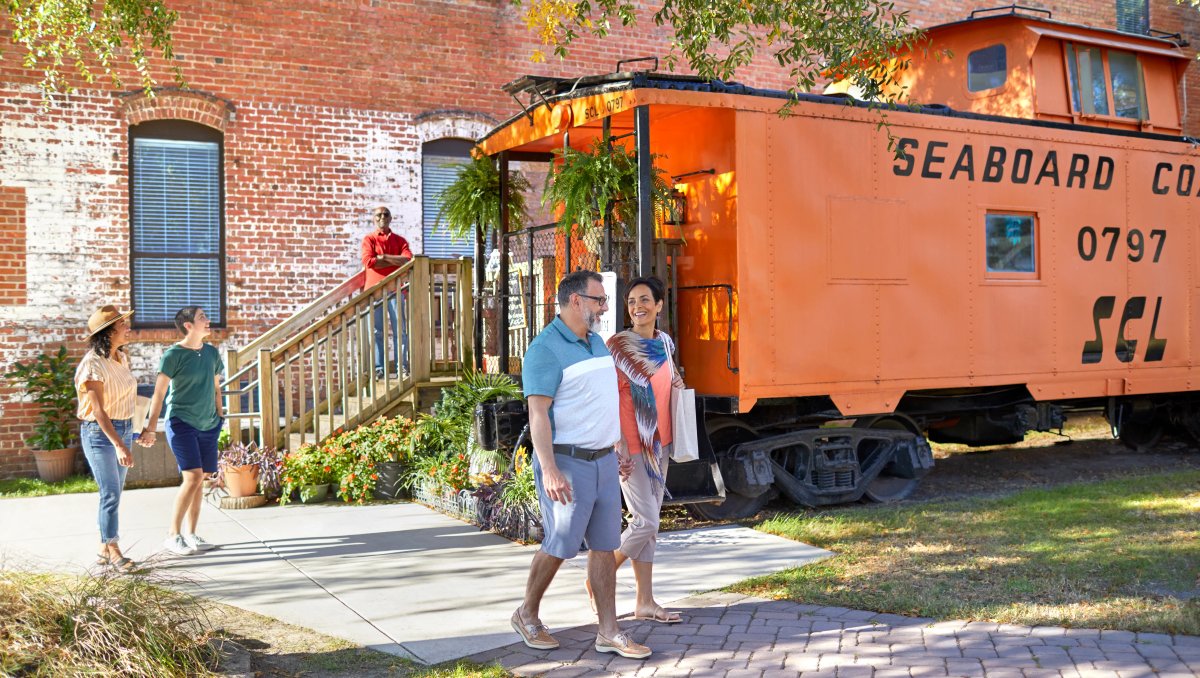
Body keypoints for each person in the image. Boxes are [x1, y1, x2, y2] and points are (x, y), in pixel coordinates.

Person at [512, 270, 652, 659]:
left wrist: (619, 444)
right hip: (567, 462)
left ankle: (608, 631)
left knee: (606, 546)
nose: (606, 307)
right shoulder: (544, 349)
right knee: (560, 545)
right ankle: (526, 614)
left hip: (605, 461)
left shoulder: (597, 344)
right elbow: (538, 415)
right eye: (599, 300)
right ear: (575, 301)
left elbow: (603, 399)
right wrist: (550, 469)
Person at [604, 276, 686, 624]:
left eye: (643, 300)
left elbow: (670, 378)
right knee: (647, 520)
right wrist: (618, 445)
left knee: (649, 525)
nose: (637, 307)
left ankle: (645, 602)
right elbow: (608, 397)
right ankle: (602, 572)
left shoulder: (665, 343)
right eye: (631, 302)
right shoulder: (618, 346)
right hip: (632, 445)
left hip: (660, 443)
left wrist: (679, 380)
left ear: (658, 306)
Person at [139, 306, 223, 556]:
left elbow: (216, 388)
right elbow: (159, 393)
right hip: (181, 422)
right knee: (193, 478)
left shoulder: (211, 353)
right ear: (188, 326)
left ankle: (191, 534)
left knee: (201, 479)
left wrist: (220, 416)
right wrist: (152, 427)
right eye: (202, 318)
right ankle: (172, 535)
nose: (208, 321)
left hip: (209, 424)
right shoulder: (172, 355)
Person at [75, 305, 141, 572]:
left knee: (115, 492)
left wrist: (134, 432)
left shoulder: (121, 358)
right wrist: (119, 444)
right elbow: (99, 412)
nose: (128, 327)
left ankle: (103, 548)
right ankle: (114, 549)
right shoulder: (92, 365)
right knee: (110, 493)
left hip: (123, 428)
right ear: (108, 332)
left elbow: (126, 399)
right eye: (122, 325)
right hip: (100, 435)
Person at [360, 205, 412, 379]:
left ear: (390, 218)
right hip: (374, 292)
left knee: (401, 331)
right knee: (376, 332)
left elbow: (407, 260)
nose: (382, 216)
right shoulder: (369, 239)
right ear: (374, 219)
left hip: (396, 290)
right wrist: (392, 260)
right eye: (378, 215)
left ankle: (401, 368)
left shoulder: (400, 240)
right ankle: (379, 369)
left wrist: (382, 258)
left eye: (386, 214)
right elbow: (368, 261)